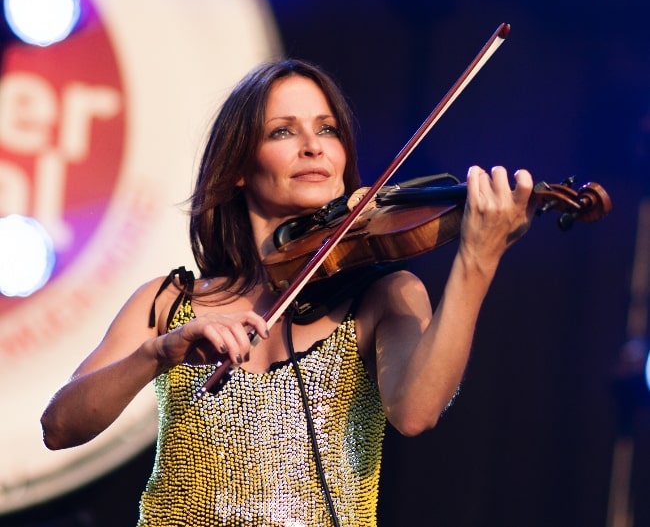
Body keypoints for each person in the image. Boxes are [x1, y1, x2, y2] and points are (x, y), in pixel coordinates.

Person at [40, 59, 534, 527]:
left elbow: (415, 412)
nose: (313, 146)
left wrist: (478, 257)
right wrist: (158, 352)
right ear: (238, 166)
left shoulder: (380, 296)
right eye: (283, 131)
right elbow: (60, 427)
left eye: (327, 129)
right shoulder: (169, 303)